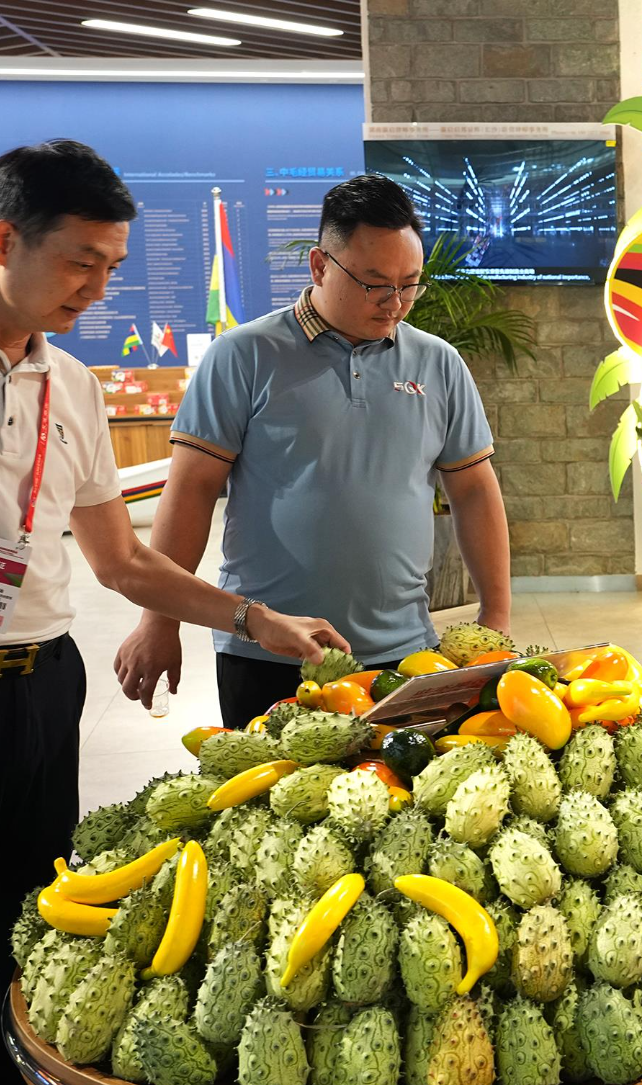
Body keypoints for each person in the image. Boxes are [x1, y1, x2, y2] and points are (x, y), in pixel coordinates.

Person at [0, 139, 345, 1085]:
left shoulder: (71, 385)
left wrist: (253, 616)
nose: (99, 284)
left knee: (18, 945)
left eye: (114, 265)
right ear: (3, 239)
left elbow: (121, 563)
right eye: (82, 259)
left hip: (39, 691)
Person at [114, 173, 511, 729]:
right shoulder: (243, 356)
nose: (395, 303)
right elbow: (192, 492)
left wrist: (495, 614)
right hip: (268, 651)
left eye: (410, 284)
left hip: (404, 654)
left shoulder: (438, 363)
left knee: (394, 809)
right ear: (320, 266)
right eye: (375, 283)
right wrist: (160, 621)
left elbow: (473, 492)